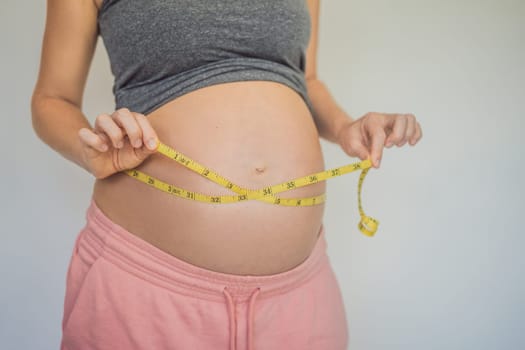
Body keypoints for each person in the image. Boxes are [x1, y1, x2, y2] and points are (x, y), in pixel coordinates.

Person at [31, 0, 422, 349]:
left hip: (298, 295)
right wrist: (89, 151)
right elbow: (53, 99)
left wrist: (344, 127)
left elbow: (305, 78)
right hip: (146, 287)